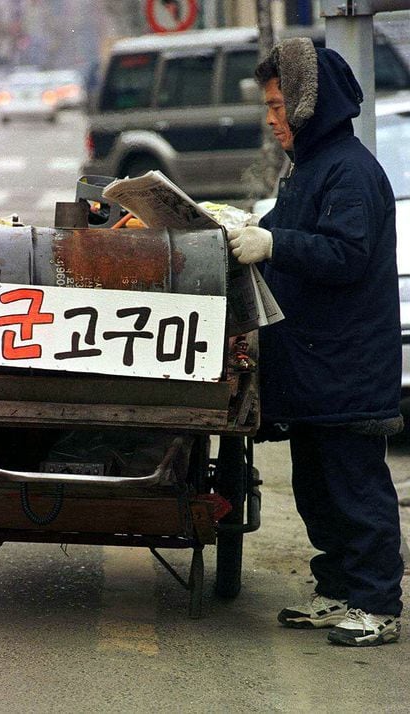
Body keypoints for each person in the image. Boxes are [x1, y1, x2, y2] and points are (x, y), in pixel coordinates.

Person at [227, 37, 404, 647]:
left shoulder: (350, 171)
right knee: (317, 491)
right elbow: (289, 228)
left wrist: (274, 245)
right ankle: (338, 591)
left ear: (308, 105)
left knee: (357, 492)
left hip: (347, 371)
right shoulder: (311, 166)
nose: (272, 118)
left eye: (279, 105)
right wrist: (252, 227)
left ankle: (378, 605)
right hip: (314, 370)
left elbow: (347, 255)